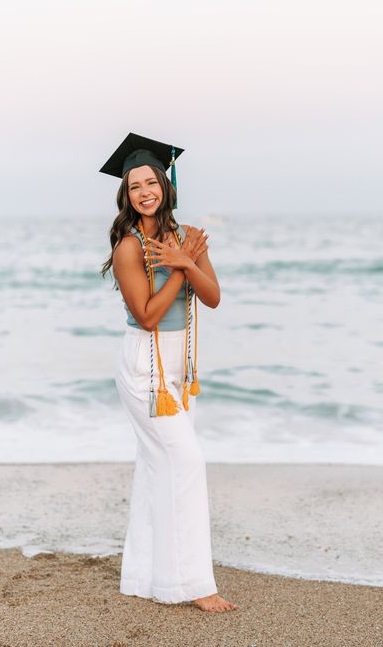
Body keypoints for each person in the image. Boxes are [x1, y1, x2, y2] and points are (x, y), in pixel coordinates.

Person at [100, 133, 238, 612]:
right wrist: (180, 270)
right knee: (186, 462)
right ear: (126, 195)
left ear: (165, 184)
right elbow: (147, 316)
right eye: (134, 185)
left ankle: (144, 577)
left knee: (159, 468)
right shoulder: (128, 248)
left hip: (182, 368)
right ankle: (194, 585)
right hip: (145, 369)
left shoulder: (186, 238)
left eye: (150, 182)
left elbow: (213, 296)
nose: (144, 192)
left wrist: (184, 259)